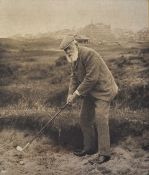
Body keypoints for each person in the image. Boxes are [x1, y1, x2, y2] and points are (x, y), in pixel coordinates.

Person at [59, 35, 118, 164]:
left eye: (69, 48)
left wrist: (76, 94)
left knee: (100, 118)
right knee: (84, 118)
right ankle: (89, 148)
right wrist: (70, 94)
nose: (68, 52)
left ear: (75, 44)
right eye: (65, 50)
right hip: (91, 92)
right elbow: (74, 77)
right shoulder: (73, 58)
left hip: (104, 91)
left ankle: (104, 153)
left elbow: (92, 78)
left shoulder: (90, 54)